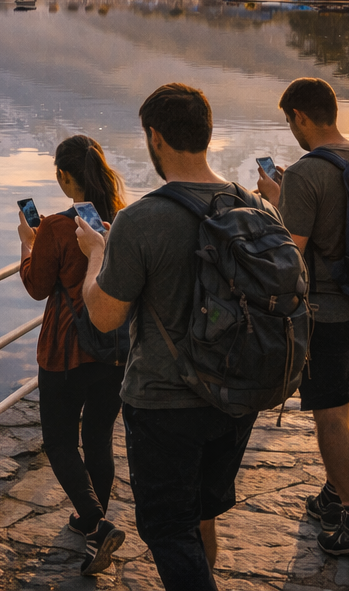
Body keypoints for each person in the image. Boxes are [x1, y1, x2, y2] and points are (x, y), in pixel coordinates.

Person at [76, 83, 267, 591]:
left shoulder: (141, 220)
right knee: (201, 515)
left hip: (165, 403)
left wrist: (96, 253)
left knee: (166, 527)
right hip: (236, 395)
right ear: (207, 133)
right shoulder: (253, 207)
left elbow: (104, 317)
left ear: (155, 139)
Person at [255, 77, 349, 558]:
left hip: (329, 315)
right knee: (342, 402)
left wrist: (277, 203)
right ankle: (335, 494)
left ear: (301, 118)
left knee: (329, 416)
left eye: (290, 120)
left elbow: (290, 257)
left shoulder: (306, 174)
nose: (291, 129)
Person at [17, 135, 129, 575]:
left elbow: (37, 286)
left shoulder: (56, 229)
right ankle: (87, 520)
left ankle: (98, 526)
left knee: (60, 442)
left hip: (66, 352)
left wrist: (29, 242)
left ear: (64, 177)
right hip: (114, 348)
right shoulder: (121, 219)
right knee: (98, 438)